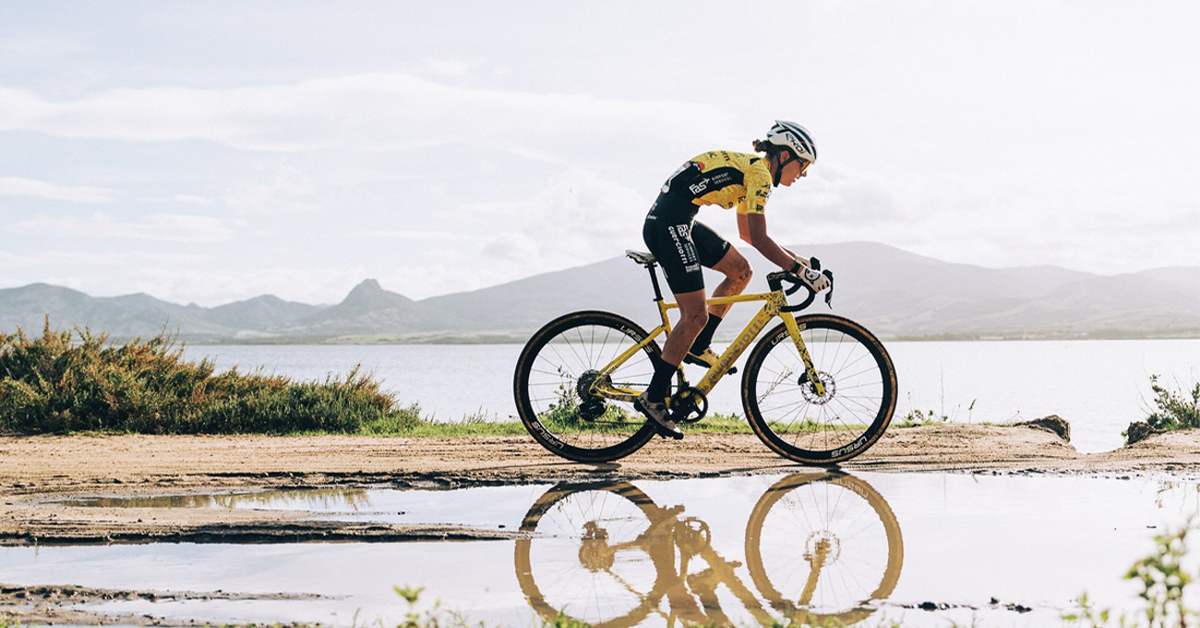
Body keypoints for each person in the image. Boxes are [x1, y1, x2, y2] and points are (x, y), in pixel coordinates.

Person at [636, 120, 830, 439]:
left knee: (741, 271)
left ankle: (699, 345)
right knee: (694, 315)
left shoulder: (753, 170)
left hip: (678, 219)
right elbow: (759, 237)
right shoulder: (759, 175)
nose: (804, 174)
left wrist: (798, 260)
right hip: (669, 225)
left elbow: (747, 235)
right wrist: (800, 272)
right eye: (803, 165)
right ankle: (654, 397)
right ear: (784, 156)